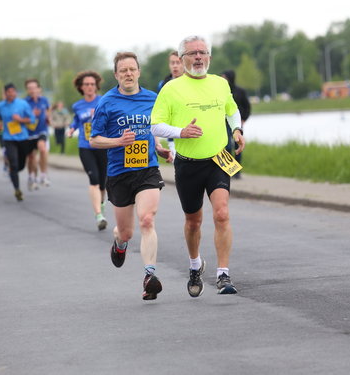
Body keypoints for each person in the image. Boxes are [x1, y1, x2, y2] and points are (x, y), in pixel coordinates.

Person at [151, 35, 245, 296]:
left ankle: (223, 275)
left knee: (222, 213)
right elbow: (155, 124)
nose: (198, 57)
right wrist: (181, 131)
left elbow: (232, 109)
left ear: (210, 57)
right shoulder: (171, 89)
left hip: (219, 158)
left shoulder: (219, 84)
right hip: (188, 163)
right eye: (192, 53)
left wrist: (236, 129)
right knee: (193, 221)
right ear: (182, 59)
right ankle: (195, 265)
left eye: (203, 52)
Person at [90, 52, 177, 300]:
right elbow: (94, 140)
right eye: (123, 70)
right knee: (126, 231)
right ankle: (120, 243)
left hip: (147, 169)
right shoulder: (107, 102)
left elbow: (154, 128)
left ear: (139, 72)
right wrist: (118, 141)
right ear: (116, 75)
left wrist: (158, 147)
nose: (128, 74)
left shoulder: (152, 98)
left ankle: (149, 276)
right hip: (119, 173)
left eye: (132, 69)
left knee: (147, 219)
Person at [68, 71, 108, 231]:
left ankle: (101, 205)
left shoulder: (104, 101)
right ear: (81, 87)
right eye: (86, 84)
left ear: (96, 86)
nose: (90, 87)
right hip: (86, 147)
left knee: (103, 183)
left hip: (103, 145)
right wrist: (71, 129)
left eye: (92, 84)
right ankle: (99, 215)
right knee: (94, 180)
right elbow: (76, 120)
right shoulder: (77, 106)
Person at [0, 83, 36, 201]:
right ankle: (17, 189)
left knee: (20, 165)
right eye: (8, 92)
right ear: (5, 93)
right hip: (9, 138)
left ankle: (13, 169)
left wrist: (20, 120)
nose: (11, 94)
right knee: (14, 164)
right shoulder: (1, 105)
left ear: (16, 92)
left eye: (13, 91)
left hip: (23, 138)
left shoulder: (23, 104)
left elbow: (31, 119)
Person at [221, 70, 251, 179]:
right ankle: (230, 170)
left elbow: (247, 106)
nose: (224, 80)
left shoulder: (240, 91)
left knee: (238, 145)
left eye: (226, 78)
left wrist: (243, 119)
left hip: (237, 123)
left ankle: (237, 172)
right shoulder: (221, 91)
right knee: (227, 145)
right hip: (224, 122)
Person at [156, 51, 184, 158]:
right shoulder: (162, 84)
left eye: (178, 62)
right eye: (172, 63)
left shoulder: (192, 81)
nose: (175, 66)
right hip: (172, 132)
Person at [24, 79, 51, 189]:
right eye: (30, 88)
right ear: (27, 90)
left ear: (39, 89)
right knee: (31, 157)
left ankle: (43, 175)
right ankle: (31, 176)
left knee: (43, 149)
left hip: (41, 130)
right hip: (29, 133)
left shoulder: (44, 100)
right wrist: (31, 115)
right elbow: (21, 118)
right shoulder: (24, 102)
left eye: (34, 88)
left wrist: (49, 118)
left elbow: (48, 112)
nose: (32, 90)